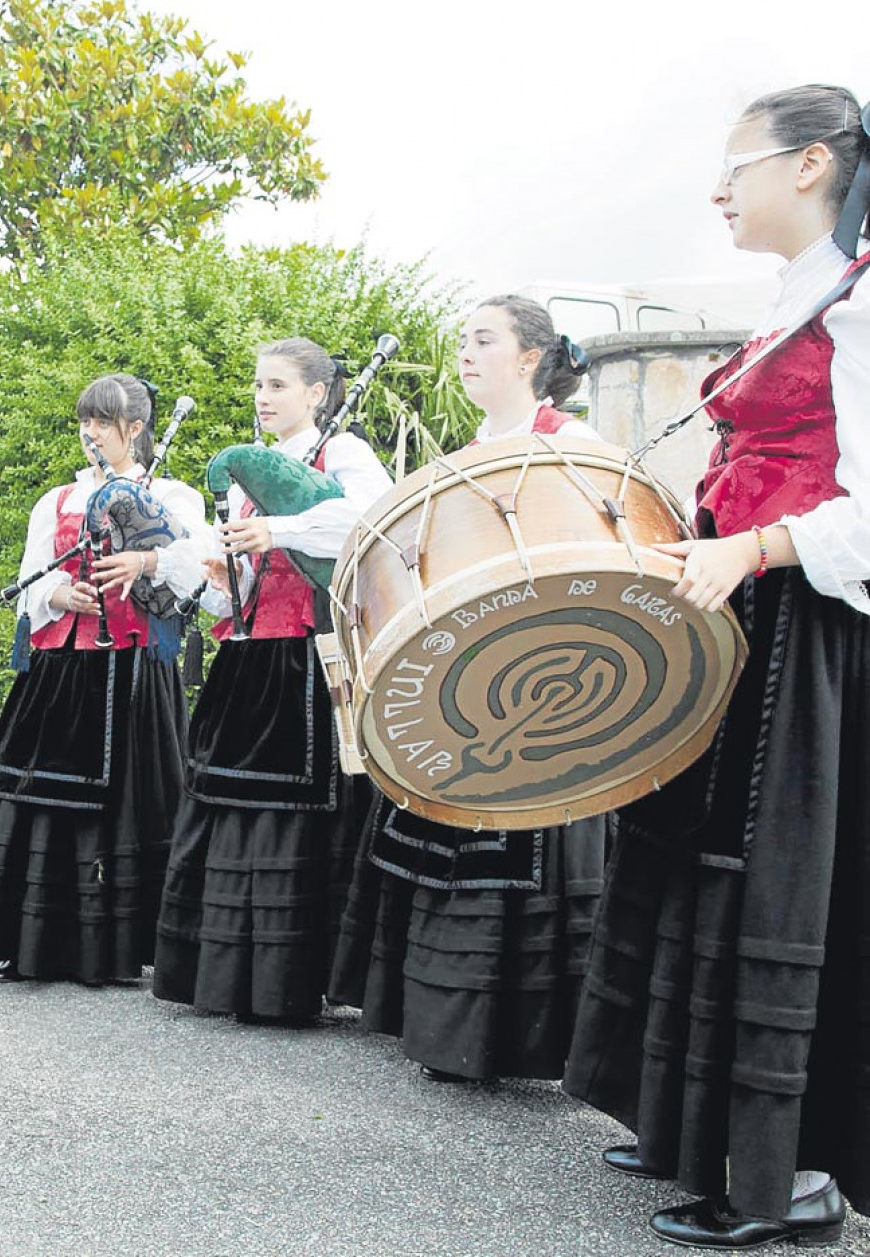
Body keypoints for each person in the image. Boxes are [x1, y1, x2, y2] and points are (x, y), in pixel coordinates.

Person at [563, 83, 870, 1249]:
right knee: (691, 858)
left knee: (773, 881)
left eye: (734, 166)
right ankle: (700, 1128)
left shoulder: (862, 301)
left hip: (808, 626)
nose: (717, 189)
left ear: (807, 166)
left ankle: (790, 1180)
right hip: (739, 611)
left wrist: (749, 545)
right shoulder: (802, 297)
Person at [327, 294, 612, 1083]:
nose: (466, 351)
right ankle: (448, 1030)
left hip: (548, 668)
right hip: (468, 672)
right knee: (451, 839)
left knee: (532, 840)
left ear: (530, 358)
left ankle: (531, 1039)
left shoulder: (572, 439)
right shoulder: (462, 452)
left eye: (484, 340)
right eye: (463, 339)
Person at [152, 337, 391, 1023]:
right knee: (224, 804)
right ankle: (221, 977)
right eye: (259, 384)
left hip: (308, 659)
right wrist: (208, 575)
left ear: (317, 394)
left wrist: (278, 527)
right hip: (247, 655)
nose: (263, 397)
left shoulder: (341, 454)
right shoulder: (240, 480)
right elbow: (238, 588)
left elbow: (369, 522)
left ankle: (288, 981)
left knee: (293, 818)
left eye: (279, 385)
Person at [0, 373, 210, 986]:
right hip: (61, 666)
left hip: (133, 665)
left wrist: (148, 553)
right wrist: (59, 593)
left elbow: (195, 573)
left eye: (102, 423)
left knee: (130, 804)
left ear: (135, 429)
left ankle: (118, 948)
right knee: (40, 798)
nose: (90, 433)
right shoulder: (54, 501)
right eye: (85, 421)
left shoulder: (176, 495)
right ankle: (33, 944)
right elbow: (29, 586)